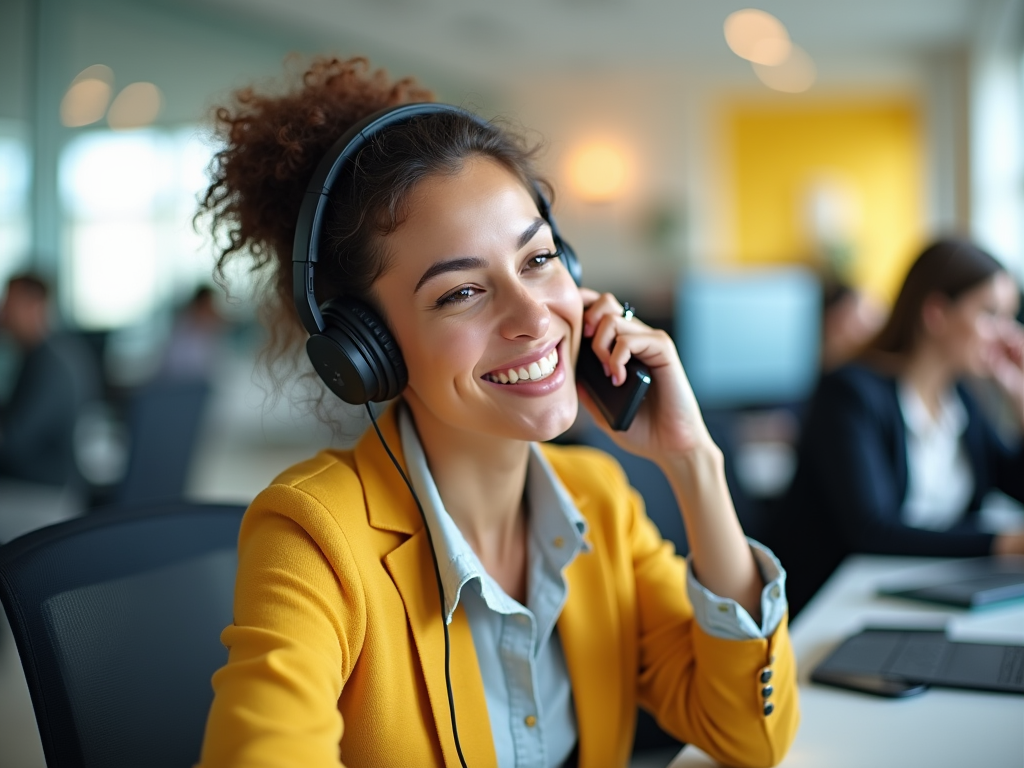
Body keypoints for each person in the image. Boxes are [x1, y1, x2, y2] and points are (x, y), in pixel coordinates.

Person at [197, 57, 798, 768]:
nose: (533, 316)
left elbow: (749, 736)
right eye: (459, 294)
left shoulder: (598, 504)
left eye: (539, 259)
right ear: (371, 349)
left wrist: (694, 465)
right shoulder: (315, 538)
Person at [780, 239, 1024, 615]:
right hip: (840, 602)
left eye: (1010, 317)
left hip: (928, 589)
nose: (1006, 335)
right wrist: (1001, 544)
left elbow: (1016, 483)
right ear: (936, 313)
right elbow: (872, 529)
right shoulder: (850, 393)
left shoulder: (961, 398)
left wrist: (1020, 401)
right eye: (990, 314)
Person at [0, 273, 96, 487]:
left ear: (36, 307)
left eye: (10, 304)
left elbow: (15, 445)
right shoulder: (62, 351)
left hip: (40, 491)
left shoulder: (48, 366)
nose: (3, 314)